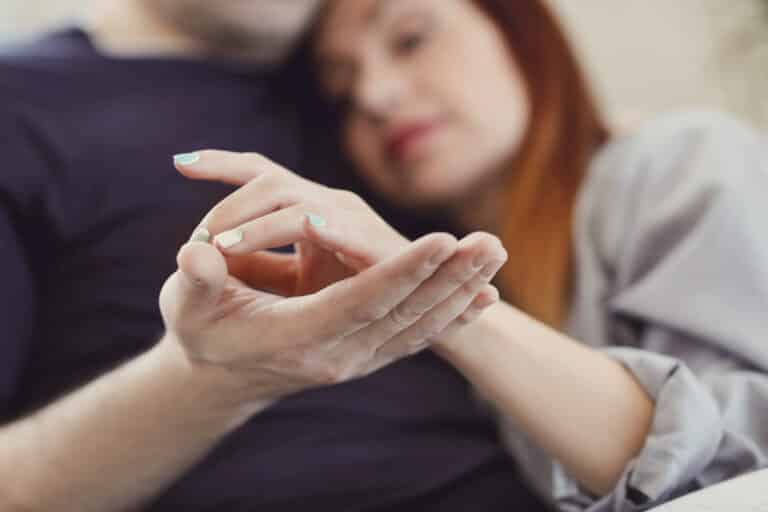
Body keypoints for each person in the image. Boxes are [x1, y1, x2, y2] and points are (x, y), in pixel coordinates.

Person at [175, 0, 768, 510]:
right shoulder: (448, 354)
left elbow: (742, 465)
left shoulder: (681, 163)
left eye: (411, 39)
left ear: (514, 25)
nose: (376, 96)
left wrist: (433, 296)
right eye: (342, 94)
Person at [0, 1, 532, 511]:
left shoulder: (368, 84)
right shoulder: (20, 103)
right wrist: (209, 381)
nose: (376, 94)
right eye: (346, 86)